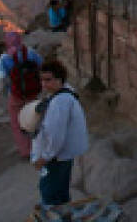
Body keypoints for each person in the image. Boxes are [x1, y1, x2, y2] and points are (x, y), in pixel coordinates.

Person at [29, 60, 89, 208]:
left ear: (59, 79)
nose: (43, 84)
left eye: (48, 80)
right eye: (42, 80)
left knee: (50, 194)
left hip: (56, 157)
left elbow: (55, 136)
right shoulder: (65, 92)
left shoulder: (59, 103)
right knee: (61, 192)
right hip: (63, 155)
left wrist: (44, 158)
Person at [0, 31, 44, 158]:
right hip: (32, 94)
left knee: (17, 124)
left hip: (16, 96)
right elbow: (42, 65)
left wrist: (4, 90)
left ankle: (26, 151)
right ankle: (40, 147)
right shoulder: (31, 53)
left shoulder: (4, 59)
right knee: (36, 120)